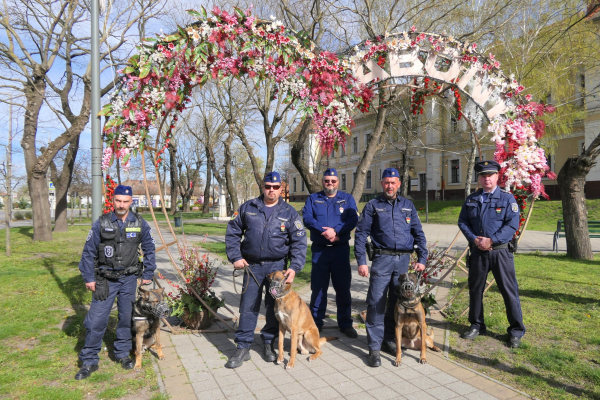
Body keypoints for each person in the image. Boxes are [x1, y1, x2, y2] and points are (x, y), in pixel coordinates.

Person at [224, 171, 307, 369]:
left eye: (275, 187)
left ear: (281, 188)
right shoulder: (248, 207)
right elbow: (233, 232)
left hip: (277, 269)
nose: (271, 190)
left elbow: (299, 241)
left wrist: (294, 267)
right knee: (248, 306)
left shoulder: (289, 212)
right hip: (252, 267)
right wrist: (236, 256)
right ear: (263, 187)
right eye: (268, 186)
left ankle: (268, 343)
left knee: (273, 308)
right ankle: (243, 346)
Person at [75, 185, 156, 380]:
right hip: (105, 280)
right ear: (113, 201)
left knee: (126, 318)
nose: (121, 205)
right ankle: (89, 360)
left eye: (125, 201)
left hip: (129, 280)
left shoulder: (139, 222)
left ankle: (122, 354)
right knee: (96, 320)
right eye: (118, 201)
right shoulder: (101, 223)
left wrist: (148, 272)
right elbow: (88, 252)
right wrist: (89, 277)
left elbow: (149, 248)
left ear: (131, 202)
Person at [355, 168, 427, 367]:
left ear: (398, 184)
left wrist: (423, 257)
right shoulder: (373, 206)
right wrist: (362, 261)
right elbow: (361, 235)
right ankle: (374, 348)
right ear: (382, 184)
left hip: (403, 262)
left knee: (398, 303)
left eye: (393, 182)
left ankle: (389, 340)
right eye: (386, 182)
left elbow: (418, 233)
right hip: (382, 260)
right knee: (376, 303)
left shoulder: (408, 206)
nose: (390, 186)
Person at [458, 160, 525, 348]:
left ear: (497, 177)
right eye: (483, 175)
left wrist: (491, 240)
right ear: (479, 178)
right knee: (475, 290)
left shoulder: (507, 199)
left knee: (508, 291)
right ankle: (477, 325)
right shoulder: (472, 199)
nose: (487, 178)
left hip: (500, 252)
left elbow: (512, 224)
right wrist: (475, 240)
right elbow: (462, 222)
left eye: (490, 175)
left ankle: (516, 330)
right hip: (478, 252)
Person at [302, 168, 359, 337]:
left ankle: (345, 323)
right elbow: (307, 218)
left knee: (343, 288)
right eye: (327, 181)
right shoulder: (313, 198)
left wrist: (336, 231)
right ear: (322, 181)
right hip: (320, 251)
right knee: (318, 289)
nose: (330, 184)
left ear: (338, 182)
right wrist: (324, 231)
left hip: (340, 251)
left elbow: (353, 219)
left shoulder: (347, 199)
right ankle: (315, 324)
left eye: (333, 181)